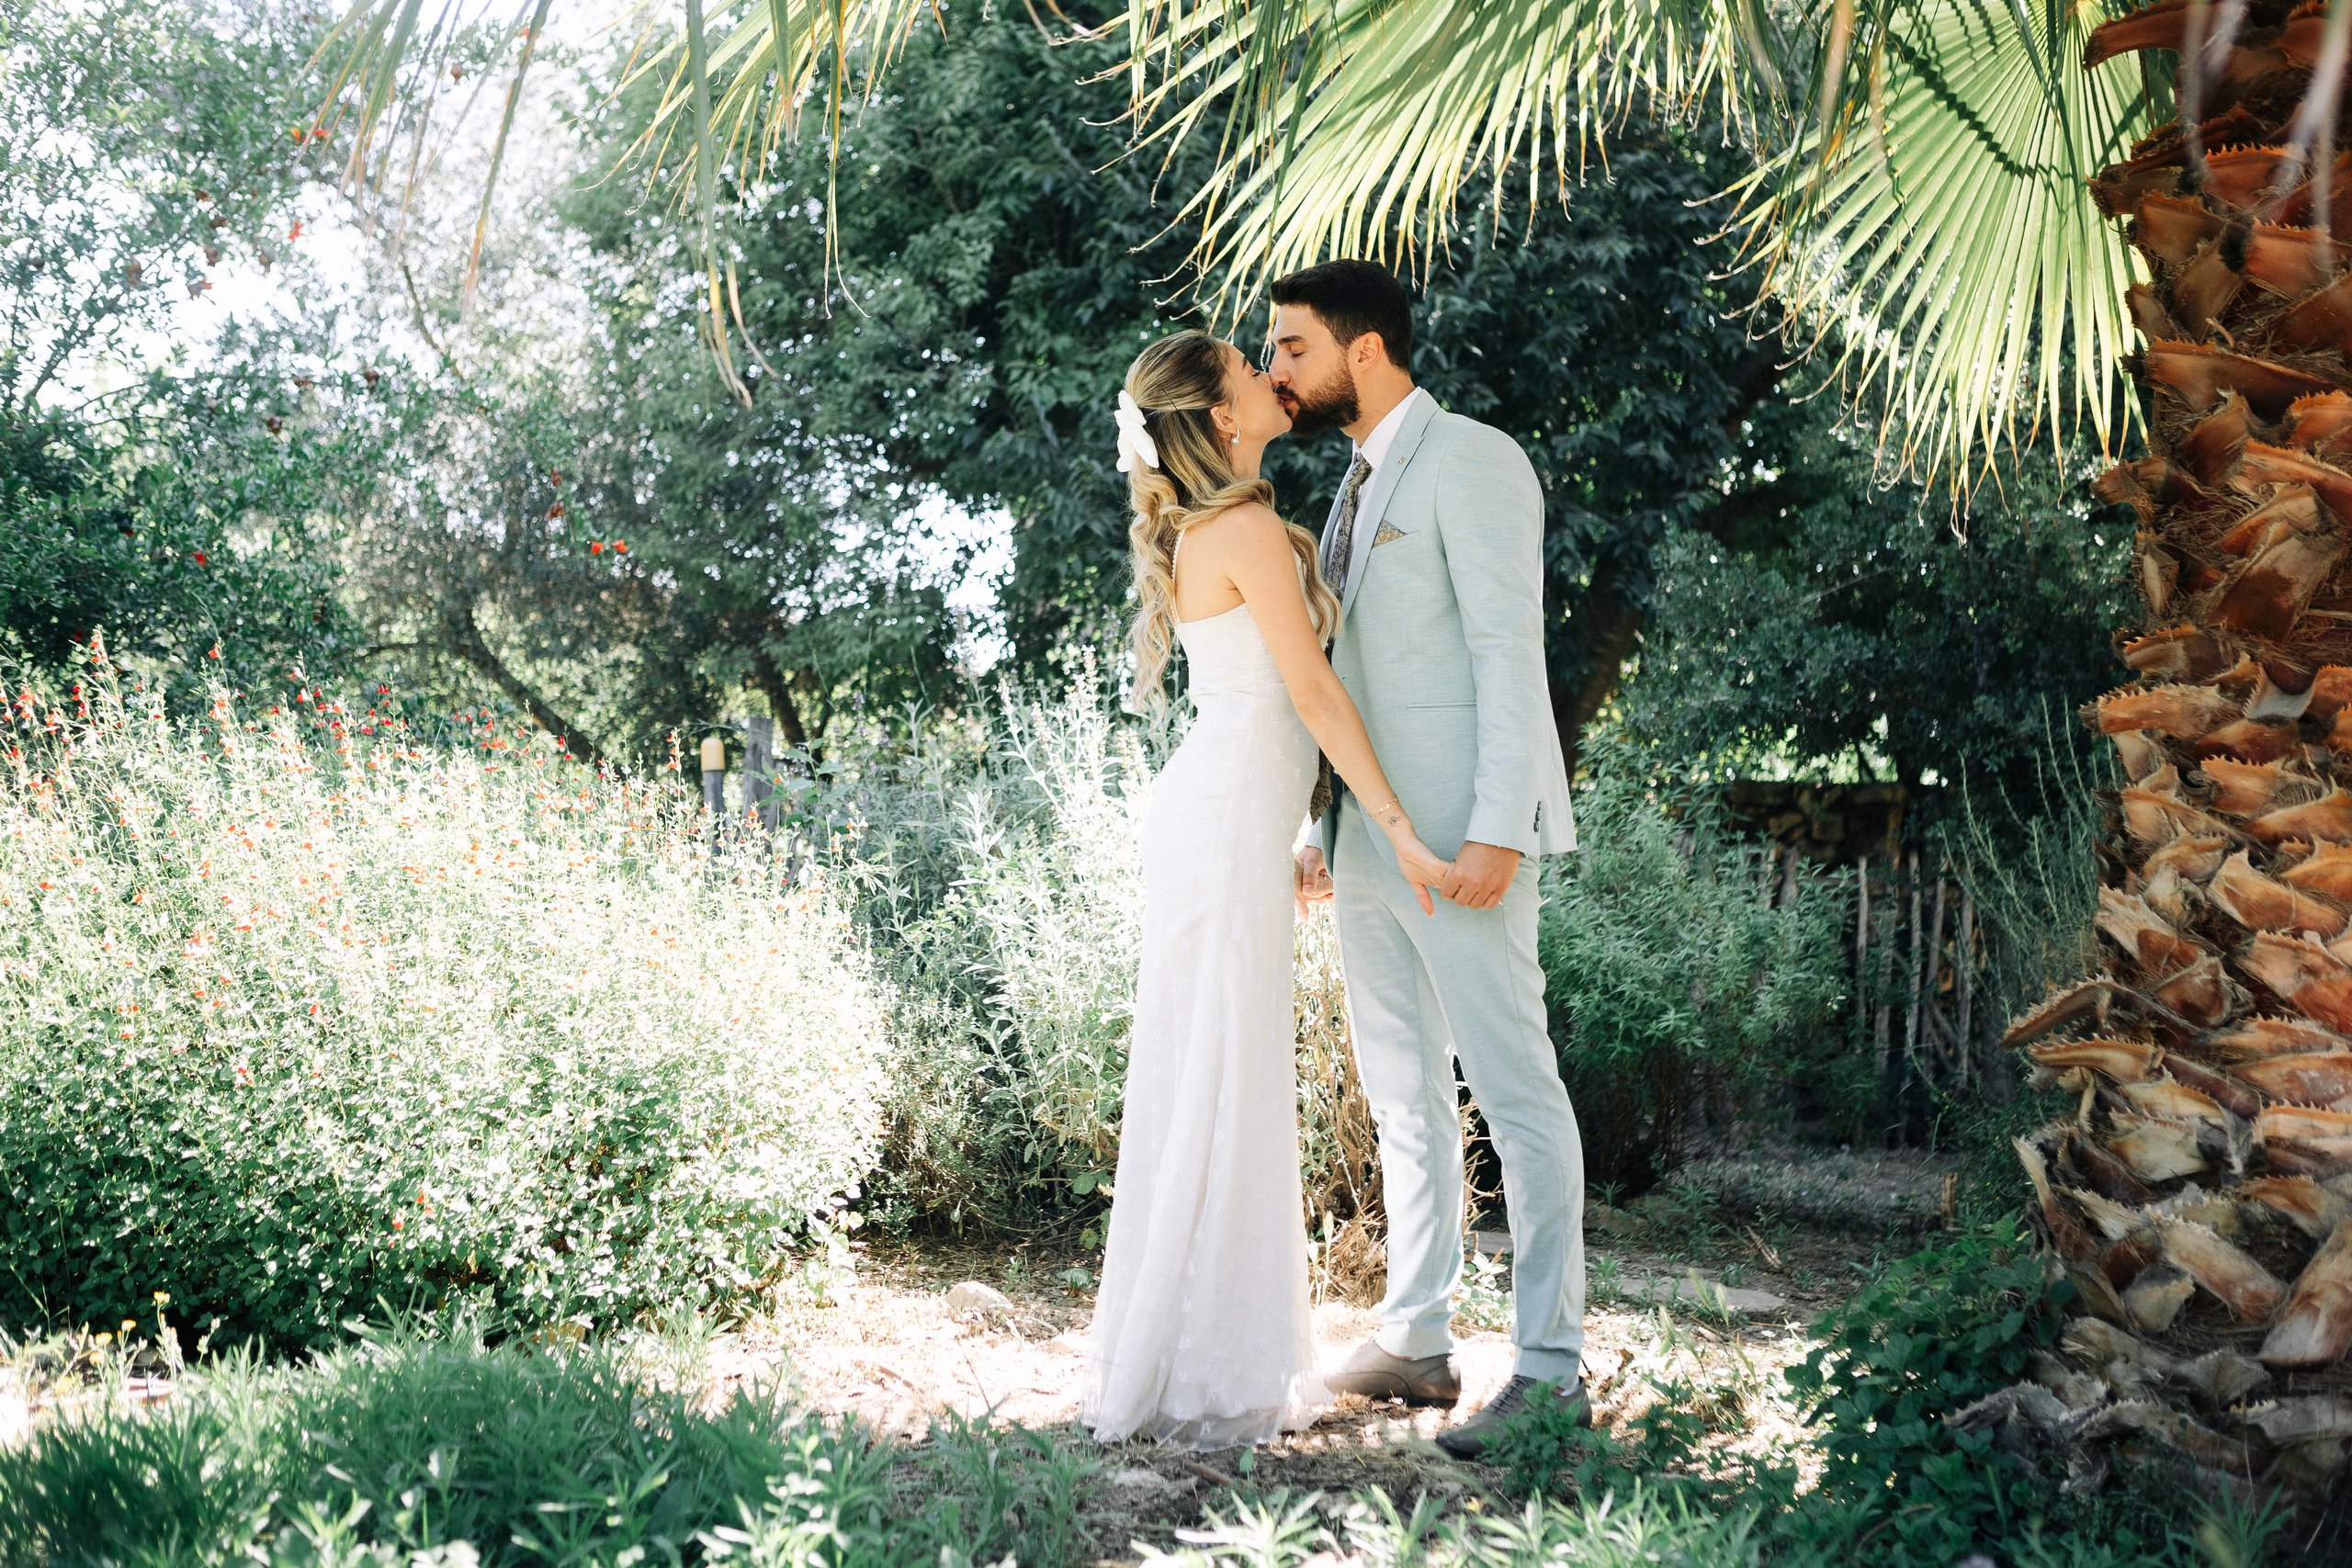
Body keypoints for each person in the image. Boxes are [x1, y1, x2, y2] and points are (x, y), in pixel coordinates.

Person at [1079, 329, 1453, 1450]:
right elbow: (1311, 696)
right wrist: (1395, 828)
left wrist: (1299, 829)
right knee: (1218, 1074)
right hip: (1220, 818)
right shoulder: (1239, 526)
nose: (1270, 374)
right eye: (1250, 369)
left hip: (1226, 818)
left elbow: (1266, 712)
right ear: (1220, 417)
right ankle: (1202, 1367)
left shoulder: (1219, 525)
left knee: (1214, 1070)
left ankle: (1196, 1349)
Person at [1272, 259, 1588, 1459]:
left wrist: (1500, 826)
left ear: (1364, 351)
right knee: (1399, 1088)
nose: (1275, 370)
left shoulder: (1476, 459)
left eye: (1291, 346)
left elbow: (1511, 650)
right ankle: (1416, 1335)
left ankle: (1550, 1366)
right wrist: (1320, 824)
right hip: (1365, 840)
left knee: (1514, 1087)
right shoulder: (1351, 487)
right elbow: (1346, 682)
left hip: (1464, 837)